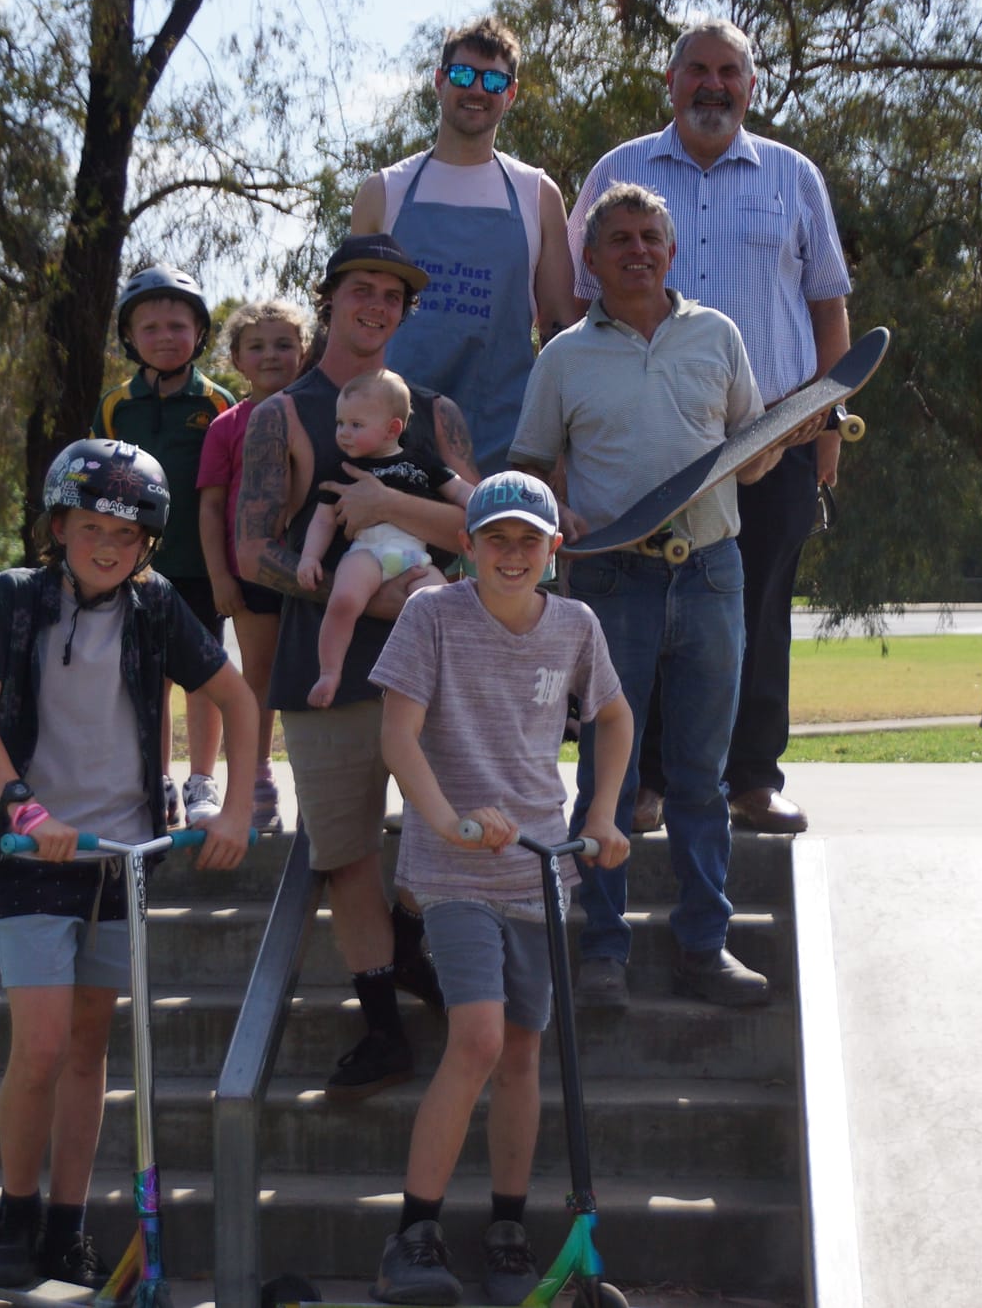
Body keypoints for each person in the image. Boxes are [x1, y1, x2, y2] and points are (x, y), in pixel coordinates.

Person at [0, 438, 257, 1288]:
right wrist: (25, 807)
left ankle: (67, 1224)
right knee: (42, 1044)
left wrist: (231, 805)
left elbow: (234, 697)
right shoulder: (15, 598)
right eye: (91, 527)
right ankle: (15, 1211)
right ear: (59, 526)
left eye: (126, 534)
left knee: (89, 1047)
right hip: (31, 851)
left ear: (148, 543)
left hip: (123, 858)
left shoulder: (155, 605)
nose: (108, 546)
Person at [514, 183, 797, 1012]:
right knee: (608, 773)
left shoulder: (718, 335)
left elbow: (750, 449)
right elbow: (529, 463)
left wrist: (770, 451)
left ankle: (704, 946)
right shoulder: (563, 355)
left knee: (703, 776)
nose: (637, 251)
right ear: (591, 260)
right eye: (620, 240)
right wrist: (553, 506)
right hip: (610, 581)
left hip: (710, 571)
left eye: (650, 238)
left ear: (671, 253)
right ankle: (602, 950)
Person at [568, 17, 853, 837]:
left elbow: (828, 305)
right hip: (644, 443)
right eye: (698, 69)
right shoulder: (618, 170)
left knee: (757, 610)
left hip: (776, 438)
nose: (714, 84)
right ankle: (645, 782)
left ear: (751, 87)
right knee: (647, 616)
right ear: (671, 80)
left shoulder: (793, 176)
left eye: (730, 72)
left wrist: (828, 425)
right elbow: (577, 303)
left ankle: (752, 780)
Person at [366, 472, 631, 1306]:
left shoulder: (576, 625)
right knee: (478, 1038)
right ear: (467, 546)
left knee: (522, 1051)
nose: (512, 555)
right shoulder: (431, 615)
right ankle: (412, 1235)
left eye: (528, 540)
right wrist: (445, 820)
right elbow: (398, 736)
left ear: (554, 549)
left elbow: (614, 715)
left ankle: (508, 1233)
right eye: (496, 539)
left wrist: (603, 811)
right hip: (453, 868)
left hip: (538, 864)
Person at [235, 231, 481, 1099]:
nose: (377, 305)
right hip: (327, 671)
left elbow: (488, 528)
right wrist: (364, 594)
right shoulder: (282, 415)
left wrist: (387, 505)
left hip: (434, 669)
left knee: (452, 827)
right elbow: (253, 548)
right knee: (345, 853)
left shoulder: (433, 414)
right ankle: (382, 1029)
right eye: (361, 288)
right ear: (330, 299)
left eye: (393, 294)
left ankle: (411, 943)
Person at [351, 16, 579, 477]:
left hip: (506, 445)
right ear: (439, 81)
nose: (477, 89)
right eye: (462, 75)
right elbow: (348, 322)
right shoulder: (384, 191)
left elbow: (560, 331)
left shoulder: (537, 194)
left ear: (511, 94)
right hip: (393, 441)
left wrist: (559, 452)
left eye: (494, 80)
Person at [92, 265, 238, 824]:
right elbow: (96, 489)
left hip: (201, 566)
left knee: (204, 676)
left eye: (178, 326)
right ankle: (155, 778)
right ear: (130, 337)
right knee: (149, 677)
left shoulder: (218, 403)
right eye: (149, 327)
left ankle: (202, 781)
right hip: (137, 570)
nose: (165, 337)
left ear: (199, 333)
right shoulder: (115, 406)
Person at [198, 299, 314, 832]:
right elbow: (211, 506)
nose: (271, 355)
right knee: (259, 679)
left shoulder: (321, 413)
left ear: (303, 351)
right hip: (250, 574)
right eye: (257, 346)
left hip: (314, 570)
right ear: (237, 359)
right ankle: (256, 779)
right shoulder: (226, 426)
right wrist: (220, 576)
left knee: (315, 675)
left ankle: (318, 780)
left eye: (284, 344)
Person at [297, 369, 475, 708]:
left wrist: (490, 501)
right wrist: (310, 557)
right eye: (340, 423)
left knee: (444, 607)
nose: (343, 433)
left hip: (415, 557)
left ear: (392, 429)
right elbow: (323, 519)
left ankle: (448, 678)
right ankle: (329, 672)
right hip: (366, 552)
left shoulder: (421, 461)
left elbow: (460, 491)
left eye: (356, 425)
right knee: (344, 599)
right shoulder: (342, 469)